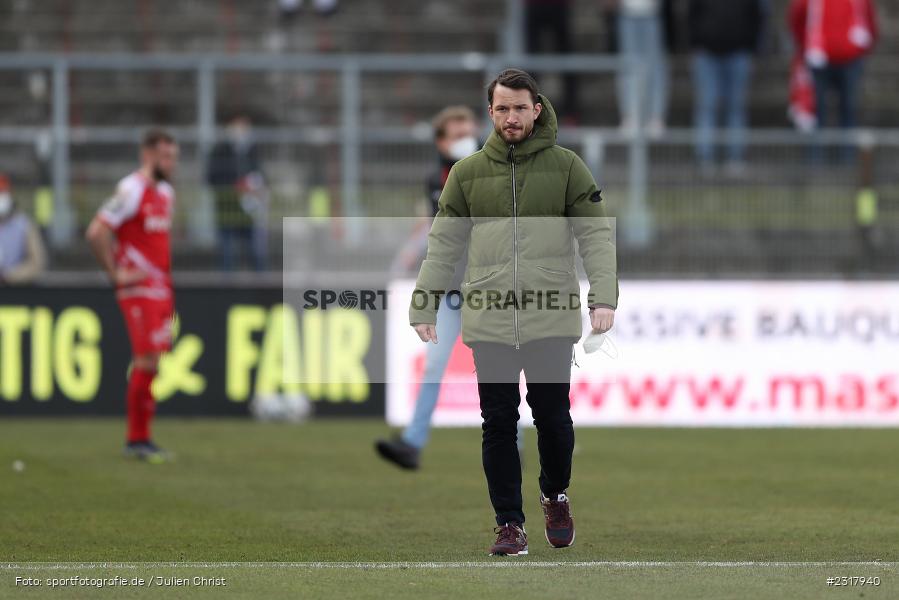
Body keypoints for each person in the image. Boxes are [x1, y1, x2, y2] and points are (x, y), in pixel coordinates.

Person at [409, 69, 618, 556]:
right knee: (498, 423)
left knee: (554, 420)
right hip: (490, 317)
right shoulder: (466, 174)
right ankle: (509, 524)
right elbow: (443, 245)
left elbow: (595, 235)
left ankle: (555, 495)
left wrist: (604, 297)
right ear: (491, 112)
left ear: (536, 109)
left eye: (520, 107)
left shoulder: (568, 167)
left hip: (551, 315)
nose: (511, 117)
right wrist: (425, 301)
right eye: (502, 108)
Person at [86, 129, 179, 463]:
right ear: (147, 155)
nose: (171, 163)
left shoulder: (166, 193)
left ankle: (141, 438)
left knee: (153, 361)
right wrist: (115, 273)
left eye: (174, 157)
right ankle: (137, 439)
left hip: (160, 287)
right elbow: (96, 232)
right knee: (145, 359)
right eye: (166, 156)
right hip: (138, 288)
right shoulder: (130, 189)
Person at [688, 0, 767, 175]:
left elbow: (756, 15)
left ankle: (735, 158)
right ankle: (704, 158)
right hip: (707, 51)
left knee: (736, 108)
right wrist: (697, 41)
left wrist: (751, 46)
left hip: (739, 52)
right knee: (707, 106)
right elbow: (693, 13)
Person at [789, 0, 878, 136]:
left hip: (849, 57)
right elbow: (797, 18)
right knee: (817, 110)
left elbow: (869, 18)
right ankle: (816, 148)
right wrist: (807, 44)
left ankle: (845, 149)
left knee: (848, 109)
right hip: (819, 58)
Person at [207, 113, 268, 271]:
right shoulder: (219, 150)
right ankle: (226, 282)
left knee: (255, 248)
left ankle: (261, 281)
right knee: (226, 249)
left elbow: (261, 175)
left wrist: (254, 185)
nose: (242, 130)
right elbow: (211, 177)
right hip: (226, 206)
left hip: (248, 208)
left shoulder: (252, 151)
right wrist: (233, 186)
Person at [612, 0, 670, 138]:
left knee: (655, 68)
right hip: (626, 14)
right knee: (628, 68)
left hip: (652, 14)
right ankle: (630, 115)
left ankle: (655, 117)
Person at [525, 0, 579, 122]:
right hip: (535, 5)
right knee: (531, 62)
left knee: (566, 59)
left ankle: (571, 113)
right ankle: (529, 109)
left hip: (558, 5)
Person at [0, 174, 46, 286]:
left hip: (15, 289)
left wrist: (10, 276)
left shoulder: (24, 225)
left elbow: (37, 263)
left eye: (2, 193)